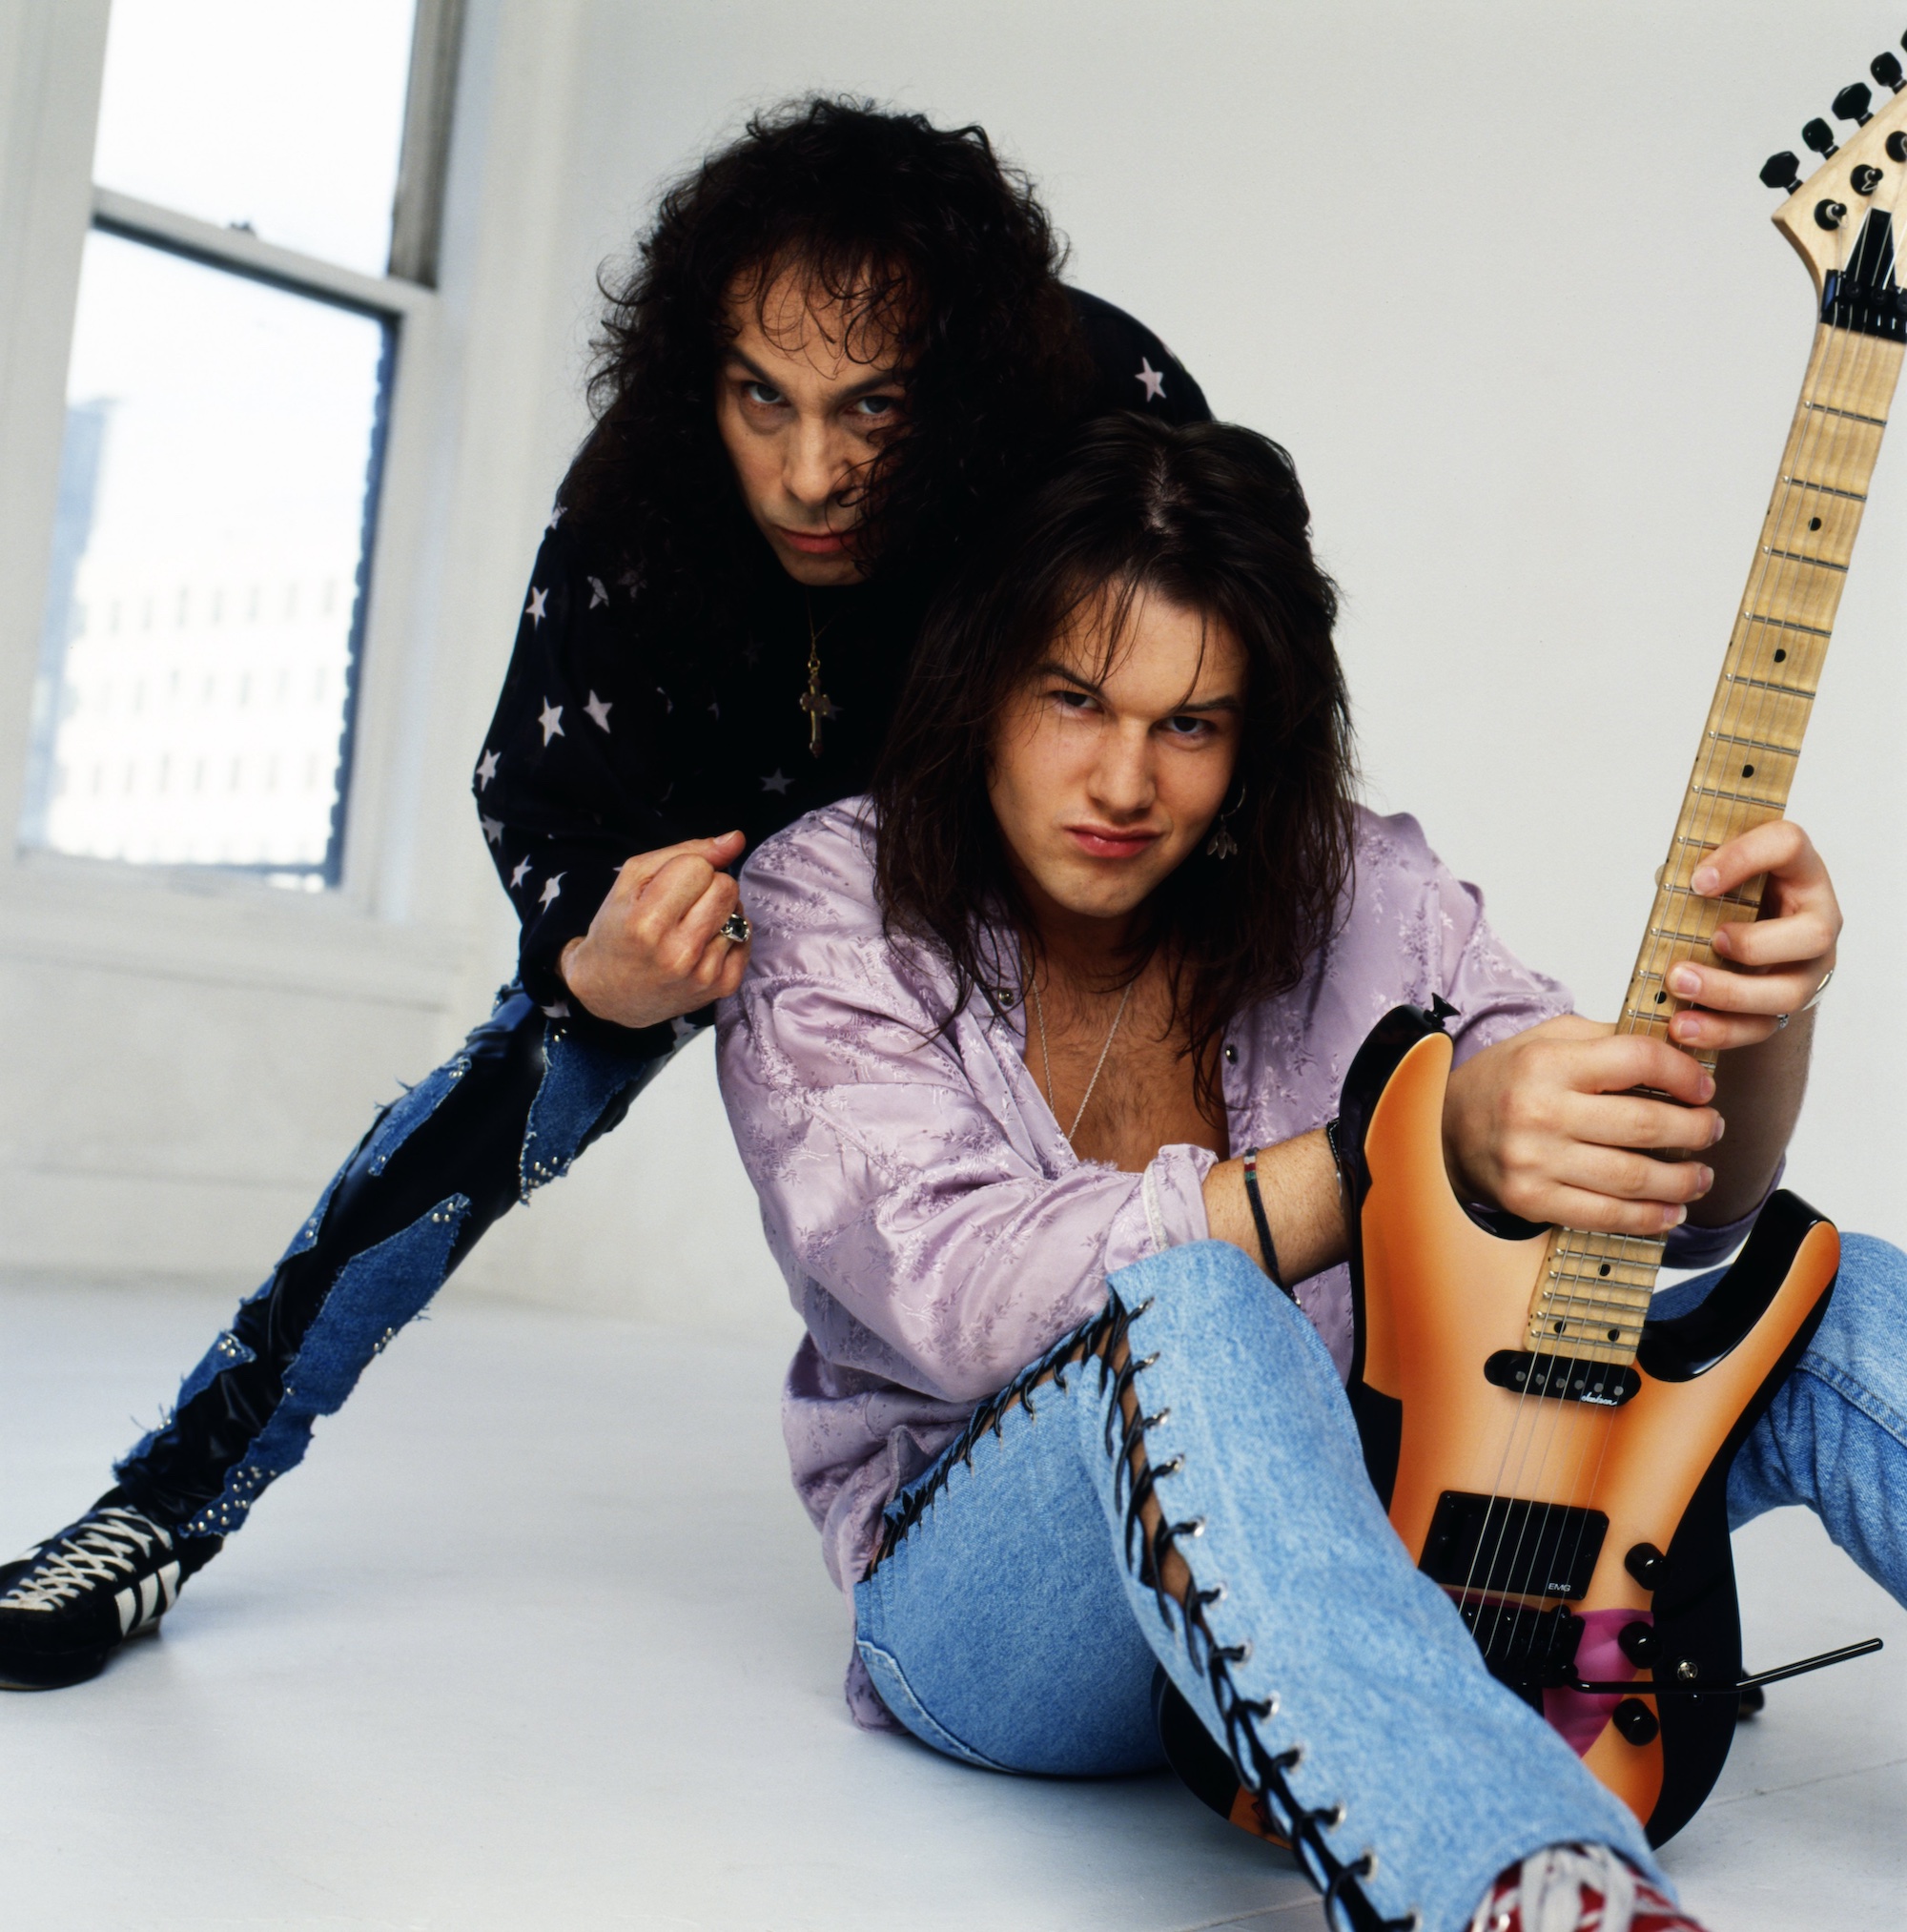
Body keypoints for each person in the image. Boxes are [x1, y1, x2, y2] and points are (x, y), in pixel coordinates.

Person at [0, 98, 1212, 1692]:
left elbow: (1225, 670)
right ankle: (159, 1504)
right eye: (761, 398)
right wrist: (595, 958)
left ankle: (1230, 1506)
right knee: (497, 1094)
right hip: (714, 861)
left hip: (1016, 845)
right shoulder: (639, 483)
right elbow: (537, 787)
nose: (810, 474)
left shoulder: (1100, 406)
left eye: (872, 408)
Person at [714, 414, 1899, 1932]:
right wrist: (1403, 1149)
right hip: (1013, 1611)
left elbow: (1652, 1211)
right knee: (1195, 1303)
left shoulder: (1361, 889)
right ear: (977, 682)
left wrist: (1760, 1013)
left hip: (1399, 1527)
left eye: (1191, 724)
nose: (1124, 779)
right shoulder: (830, 904)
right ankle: (1531, 1881)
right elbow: (958, 1299)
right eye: (1073, 698)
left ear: (1254, 736)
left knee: (1835, 1299)